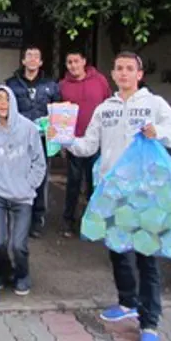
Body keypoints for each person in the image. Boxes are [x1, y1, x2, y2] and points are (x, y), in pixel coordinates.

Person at [63, 51, 171, 341]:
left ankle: (150, 323)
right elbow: (88, 145)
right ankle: (126, 302)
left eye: (129, 69)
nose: (123, 73)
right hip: (113, 193)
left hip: (146, 196)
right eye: (118, 68)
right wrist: (64, 139)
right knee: (118, 250)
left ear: (139, 74)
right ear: (112, 74)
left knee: (147, 259)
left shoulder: (153, 104)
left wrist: (157, 131)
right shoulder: (104, 109)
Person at [0, 86, 46, 296]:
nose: (2, 104)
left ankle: (22, 275)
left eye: (6, 99)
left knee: (18, 245)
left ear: (13, 102)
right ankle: (4, 273)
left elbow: (39, 163)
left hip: (22, 196)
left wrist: (29, 185)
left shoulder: (29, 129)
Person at [6, 46, 60, 238]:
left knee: (40, 179)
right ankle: (20, 218)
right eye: (28, 56)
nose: (32, 59)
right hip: (19, 140)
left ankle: (37, 219)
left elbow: (58, 113)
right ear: (23, 60)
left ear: (41, 62)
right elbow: (6, 111)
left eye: (36, 56)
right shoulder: (11, 84)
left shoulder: (51, 85)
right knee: (17, 178)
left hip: (42, 141)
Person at [58, 51, 112, 237]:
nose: (73, 65)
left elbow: (108, 106)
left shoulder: (100, 81)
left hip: (97, 142)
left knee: (94, 184)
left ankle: (91, 223)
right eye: (69, 62)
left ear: (84, 62)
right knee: (73, 184)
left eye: (76, 61)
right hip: (74, 142)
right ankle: (68, 222)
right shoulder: (62, 86)